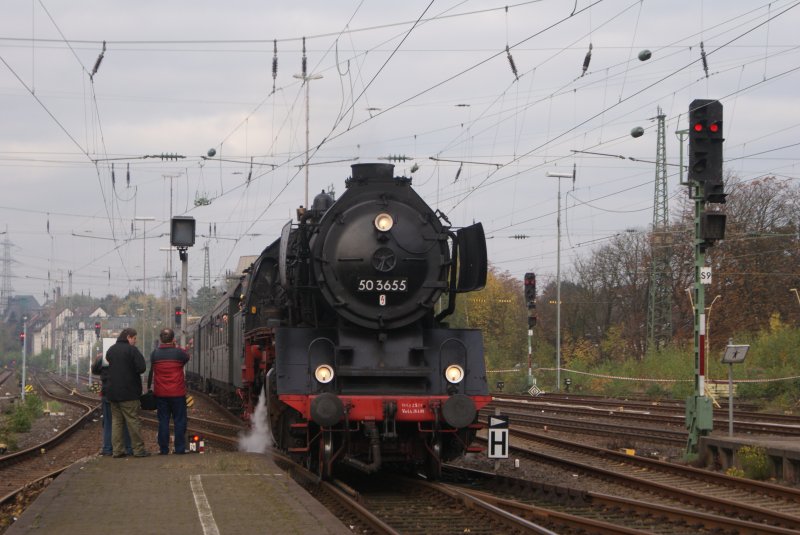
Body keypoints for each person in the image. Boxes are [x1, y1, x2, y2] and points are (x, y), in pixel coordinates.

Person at [105, 328, 150, 458]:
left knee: (117, 422)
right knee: (133, 421)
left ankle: (117, 451)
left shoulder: (111, 350)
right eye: (134, 338)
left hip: (113, 393)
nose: (135, 341)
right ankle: (138, 450)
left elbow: (108, 361)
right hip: (129, 393)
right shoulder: (132, 350)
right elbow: (142, 368)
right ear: (129, 337)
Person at [148, 328, 190, 455]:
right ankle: (179, 449)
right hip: (177, 393)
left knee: (163, 421)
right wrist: (176, 346)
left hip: (161, 394)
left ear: (160, 339)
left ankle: (164, 449)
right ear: (173, 339)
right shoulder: (179, 353)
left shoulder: (154, 354)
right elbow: (187, 356)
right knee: (179, 421)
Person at [91, 352, 133, 456]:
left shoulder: (103, 357)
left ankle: (108, 448)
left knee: (108, 422)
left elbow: (95, 370)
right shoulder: (126, 354)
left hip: (108, 393)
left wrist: (100, 357)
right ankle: (128, 448)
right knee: (126, 422)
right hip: (124, 393)